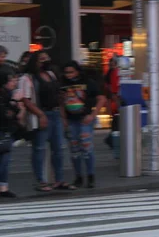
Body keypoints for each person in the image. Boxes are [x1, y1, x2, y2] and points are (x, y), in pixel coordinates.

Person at [19, 51, 67, 192]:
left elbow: (58, 95)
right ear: (35, 62)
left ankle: (59, 179)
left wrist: (62, 115)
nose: (46, 61)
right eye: (42, 59)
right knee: (39, 148)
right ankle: (40, 180)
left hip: (55, 113)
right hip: (42, 113)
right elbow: (26, 100)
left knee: (58, 149)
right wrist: (40, 115)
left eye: (47, 58)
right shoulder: (27, 78)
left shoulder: (51, 75)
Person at [61, 61, 106, 189]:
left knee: (86, 148)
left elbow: (101, 98)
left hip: (84, 118)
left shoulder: (88, 82)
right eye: (66, 72)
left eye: (71, 72)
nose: (68, 75)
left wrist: (92, 115)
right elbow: (61, 102)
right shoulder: (63, 84)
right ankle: (79, 176)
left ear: (77, 71)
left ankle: (90, 176)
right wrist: (64, 118)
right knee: (74, 149)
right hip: (72, 119)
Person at [0, 71, 23, 198]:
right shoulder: (5, 96)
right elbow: (6, 113)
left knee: (5, 160)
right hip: (3, 129)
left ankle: (3, 187)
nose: (14, 83)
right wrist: (14, 102)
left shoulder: (7, 94)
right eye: (12, 80)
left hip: (7, 130)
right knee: (4, 159)